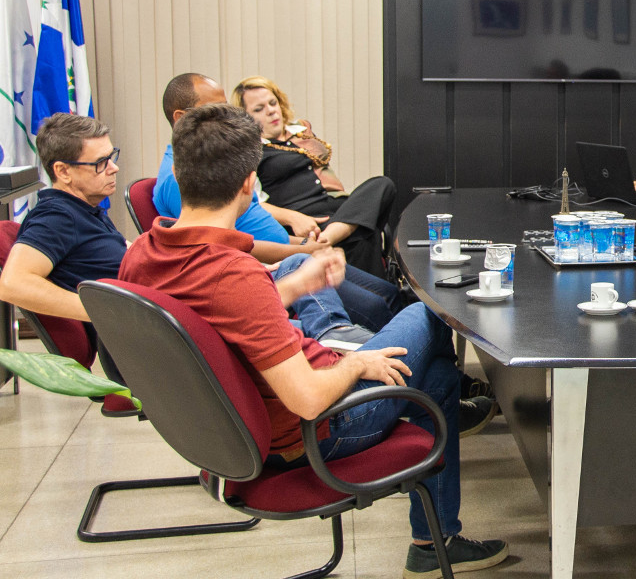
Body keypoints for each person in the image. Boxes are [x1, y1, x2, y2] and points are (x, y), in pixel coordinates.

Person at [118, 103, 508, 578]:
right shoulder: (234, 276)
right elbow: (306, 400)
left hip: (261, 413)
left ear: (178, 172)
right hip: (322, 428)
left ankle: (433, 530)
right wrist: (354, 366)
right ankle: (433, 538)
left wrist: (297, 285)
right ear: (248, 184)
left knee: (426, 367)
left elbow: (221, 313)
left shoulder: (144, 251)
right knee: (430, 314)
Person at [0, 113, 373, 352]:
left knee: (300, 266)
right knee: (383, 310)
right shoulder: (56, 215)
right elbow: (13, 284)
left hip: (183, 320)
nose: (112, 169)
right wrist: (106, 311)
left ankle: (343, 331)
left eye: (111, 156)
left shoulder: (84, 210)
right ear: (63, 171)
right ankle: (335, 334)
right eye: (99, 163)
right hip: (173, 337)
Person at [231, 76, 397, 278]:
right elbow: (254, 202)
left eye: (272, 103)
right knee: (364, 235)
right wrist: (293, 217)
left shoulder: (299, 135)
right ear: (246, 117)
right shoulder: (251, 150)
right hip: (305, 223)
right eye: (259, 109)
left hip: (334, 211)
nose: (271, 110)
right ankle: (386, 300)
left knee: (382, 183)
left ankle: (327, 240)